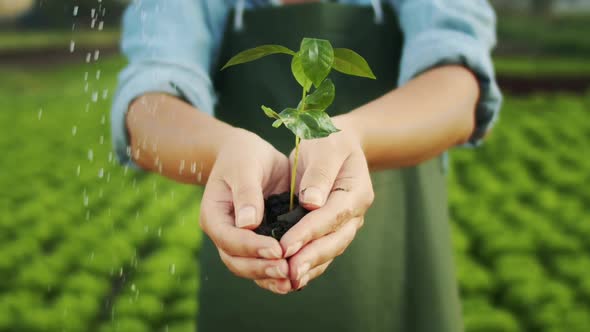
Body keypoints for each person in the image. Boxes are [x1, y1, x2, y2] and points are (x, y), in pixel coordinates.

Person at [111, 0, 502, 331]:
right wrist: (223, 148)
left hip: (399, 258)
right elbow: (148, 103)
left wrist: (356, 135)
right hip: (251, 254)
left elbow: (458, 86)